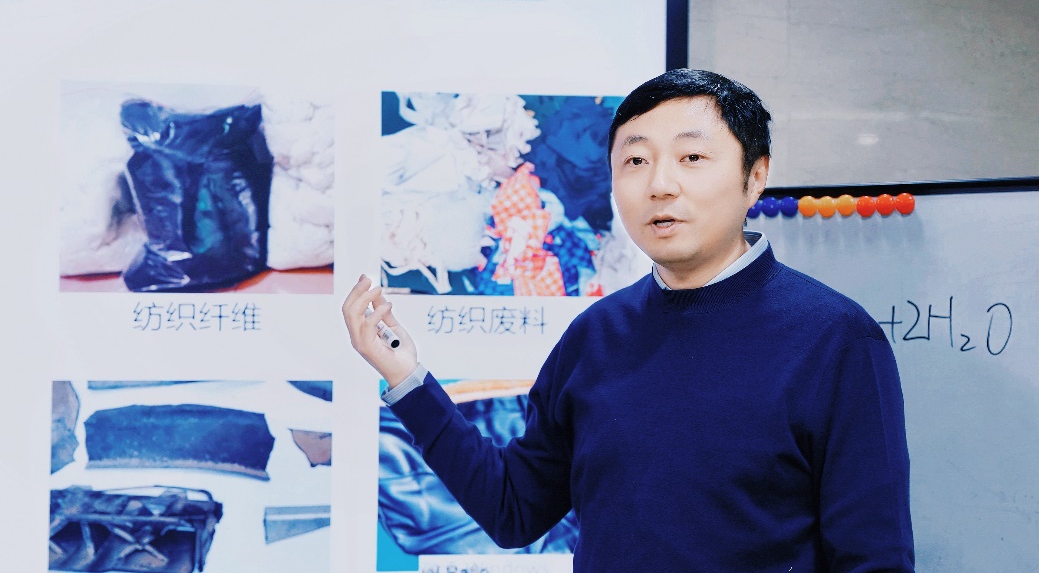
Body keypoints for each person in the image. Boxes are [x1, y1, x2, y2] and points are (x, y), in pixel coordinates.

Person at [343, 68, 915, 572]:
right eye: (636, 161)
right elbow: (513, 510)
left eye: (692, 158)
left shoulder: (835, 338)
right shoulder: (595, 336)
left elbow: (873, 559)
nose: (660, 185)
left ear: (756, 176)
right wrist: (407, 379)